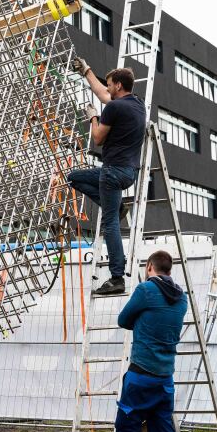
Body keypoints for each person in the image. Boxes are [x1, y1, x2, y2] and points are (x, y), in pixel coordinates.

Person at [97, 250, 187, 432]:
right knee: (162, 431)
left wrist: (142, 320)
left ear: (150, 267)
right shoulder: (182, 299)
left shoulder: (146, 290)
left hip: (140, 375)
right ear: (169, 270)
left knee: (127, 429)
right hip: (165, 377)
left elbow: (123, 319)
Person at [67, 60, 146, 295]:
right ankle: (117, 205)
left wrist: (93, 117)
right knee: (74, 177)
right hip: (128, 173)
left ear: (119, 86)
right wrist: (87, 71)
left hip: (111, 172)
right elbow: (102, 94)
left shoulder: (113, 109)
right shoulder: (137, 105)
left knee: (110, 223)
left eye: (111, 85)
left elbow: (98, 138)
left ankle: (116, 277)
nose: (108, 88)